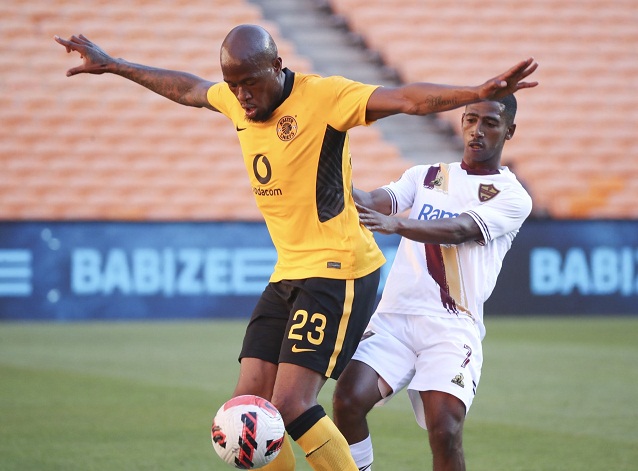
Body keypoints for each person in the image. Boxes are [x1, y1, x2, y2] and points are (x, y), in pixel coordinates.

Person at [54, 25, 537, 471]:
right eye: (233, 84)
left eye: (249, 83)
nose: (240, 95)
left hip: (340, 269)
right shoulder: (237, 99)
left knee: (290, 405)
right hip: (289, 270)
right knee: (248, 405)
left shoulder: (325, 97)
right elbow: (189, 89)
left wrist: (473, 93)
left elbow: (406, 100)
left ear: (277, 66)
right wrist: (116, 64)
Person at [332, 94, 532, 471]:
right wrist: (333, 178)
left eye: (490, 122)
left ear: (510, 130)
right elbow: (374, 200)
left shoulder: (513, 196)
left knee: (444, 428)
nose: (477, 130)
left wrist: (399, 224)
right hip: (395, 318)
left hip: (452, 326)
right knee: (346, 401)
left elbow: (460, 229)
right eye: (471, 119)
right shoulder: (426, 174)